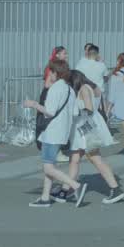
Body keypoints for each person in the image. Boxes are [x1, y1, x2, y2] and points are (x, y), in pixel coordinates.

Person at [24, 60, 87, 208]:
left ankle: (75, 185)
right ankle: (45, 197)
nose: (49, 75)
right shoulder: (70, 89)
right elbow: (75, 112)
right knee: (50, 165)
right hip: (63, 132)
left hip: (52, 132)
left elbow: (49, 112)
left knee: (48, 167)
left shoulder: (55, 89)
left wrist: (34, 104)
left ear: (54, 73)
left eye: (50, 72)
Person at [62, 69, 124, 205]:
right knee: (75, 159)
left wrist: (74, 112)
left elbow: (89, 109)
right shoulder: (91, 87)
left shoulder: (84, 89)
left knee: (95, 159)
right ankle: (66, 189)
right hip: (86, 128)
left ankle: (115, 189)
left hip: (85, 130)